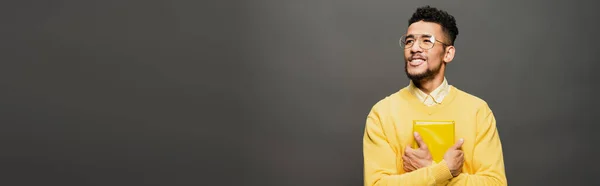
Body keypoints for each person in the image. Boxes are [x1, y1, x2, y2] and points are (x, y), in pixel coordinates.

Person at [362, 5, 507, 186]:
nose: (414, 48)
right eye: (409, 41)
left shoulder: (478, 111)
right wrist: (443, 170)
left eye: (426, 41)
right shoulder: (382, 113)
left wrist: (433, 169)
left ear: (448, 53)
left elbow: (496, 183)